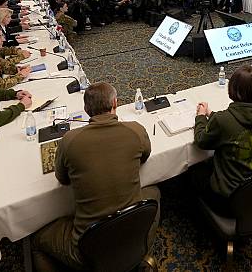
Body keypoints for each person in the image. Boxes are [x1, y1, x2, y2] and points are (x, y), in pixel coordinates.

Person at [31, 82, 160, 270]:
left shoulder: (69, 140)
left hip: (86, 247)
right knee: (154, 192)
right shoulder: (136, 130)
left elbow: (63, 178)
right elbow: (145, 155)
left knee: (35, 240)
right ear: (115, 103)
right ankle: (140, 248)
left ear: (85, 109)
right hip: (128, 232)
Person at [191, 65, 252, 212]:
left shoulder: (223, 120)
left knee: (194, 172)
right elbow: (231, 122)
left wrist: (201, 117)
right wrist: (212, 113)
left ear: (233, 90)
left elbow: (201, 140)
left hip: (229, 198)